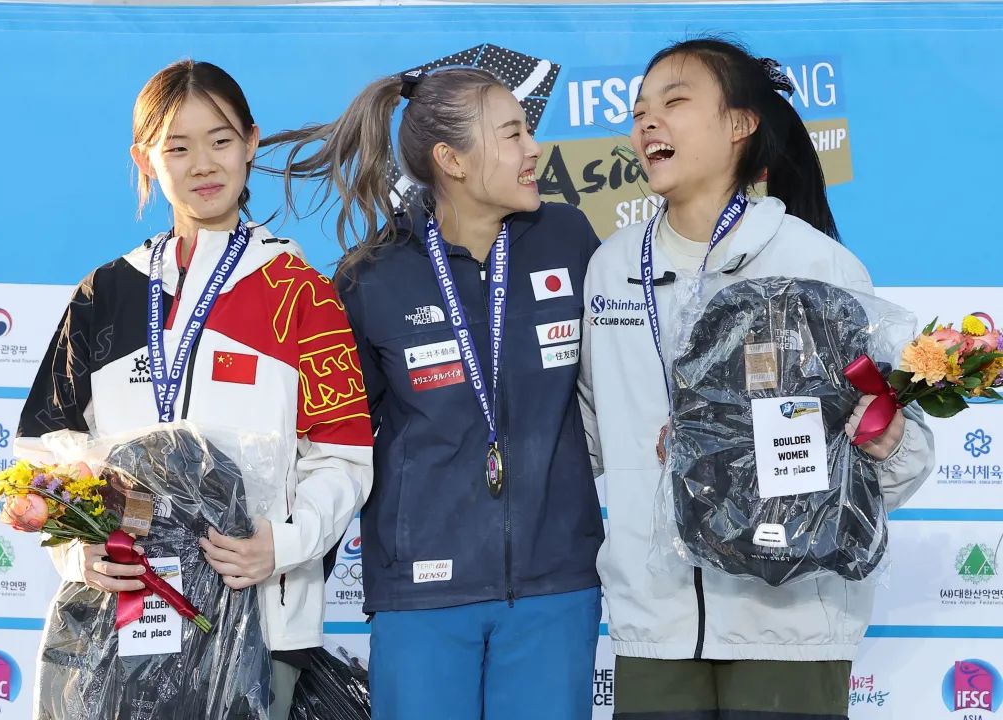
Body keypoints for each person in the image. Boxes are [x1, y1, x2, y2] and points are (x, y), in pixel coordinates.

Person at [579, 38, 935, 720]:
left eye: (675, 102)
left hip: (791, 618)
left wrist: (887, 441)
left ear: (741, 125)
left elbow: (901, 451)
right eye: (639, 110)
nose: (648, 121)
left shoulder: (818, 264)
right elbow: (591, 433)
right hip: (653, 623)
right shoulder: (611, 267)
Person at [15, 59, 373, 719]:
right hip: (123, 622)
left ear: (252, 143)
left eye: (221, 140)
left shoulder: (300, 293)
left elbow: (343, 456)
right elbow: (40, 454)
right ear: (146, 159)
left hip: (263, 616)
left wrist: (283, 542)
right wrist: (78, 545)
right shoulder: (106, 294)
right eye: (177, 146)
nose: (204, 163)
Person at [262, 66, 603, 720]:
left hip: (554, 585)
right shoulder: (372, 277)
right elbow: (336, 445)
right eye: (512, 134)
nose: (534, 148)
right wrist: (289, 599)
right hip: (420, 595)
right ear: (452, 160)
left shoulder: (569, 240)